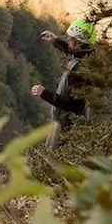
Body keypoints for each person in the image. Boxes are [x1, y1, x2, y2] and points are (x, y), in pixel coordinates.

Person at [32, 17, 97, 147]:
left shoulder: (80, 72)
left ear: (80, 44)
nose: (68, 41)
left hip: (67, 126)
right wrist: (55, 41)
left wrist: (44, 93)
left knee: (53, 160)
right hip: (64, 122)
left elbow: (70, 105)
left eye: (72, 40)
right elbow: (73, 52)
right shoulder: (87, 57)